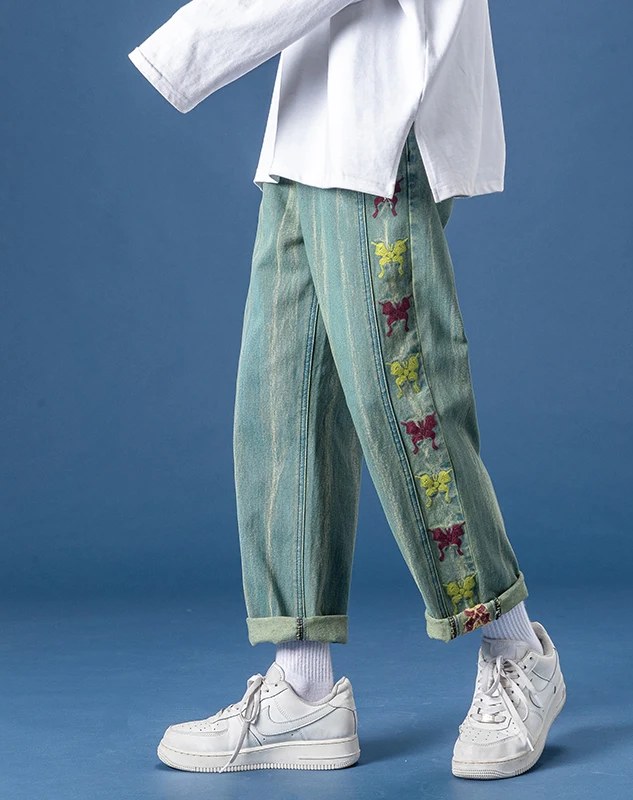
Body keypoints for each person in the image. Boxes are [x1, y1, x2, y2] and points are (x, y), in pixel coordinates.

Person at [127, 0, 566, 779]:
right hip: (310, 122)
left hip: (380, 119)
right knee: (280, 404)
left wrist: (185, 49)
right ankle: (303, 692)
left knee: (404, 401)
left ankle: (515, 649)